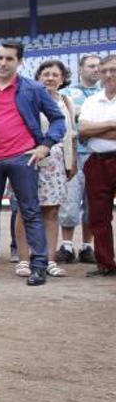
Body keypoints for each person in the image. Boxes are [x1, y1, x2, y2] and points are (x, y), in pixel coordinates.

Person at [0, 40, 65, 286]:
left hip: (23, 158)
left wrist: (45, 146)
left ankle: (38, 266)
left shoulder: (33, 89)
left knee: (30, 212)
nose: (3, 63)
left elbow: (58, 120)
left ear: (20, 62)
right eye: (0, 58)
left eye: (9, 58)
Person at [13, 60, 76, 278]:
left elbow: (70, 136)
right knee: (25, 209)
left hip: (56, 161)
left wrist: (71, 162)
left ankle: (49, 260)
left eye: (55, 74)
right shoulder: (27, 97)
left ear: (62, 79)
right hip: (28, 157)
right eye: (45, 74)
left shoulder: (66, 102)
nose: (50, 78)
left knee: (52, 211)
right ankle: (23, 259)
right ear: (38, 78)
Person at [57, 54, 101, 264]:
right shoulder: (66, 94)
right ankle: (66, 245)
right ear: (80, 69)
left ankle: (87, 246)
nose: (95, 69)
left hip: (96, 154)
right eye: (91, 66)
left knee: (93, 201)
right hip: (72, 153)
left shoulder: (106, 95)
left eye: (98, 66)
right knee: (70, 200)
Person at [77, 54, 116, 277]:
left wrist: (96, 128)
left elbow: (90, 130)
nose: (109, 74)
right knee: (98, 216)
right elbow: (83, 131)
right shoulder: (92, 101)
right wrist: (112, 124)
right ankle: (105, 263)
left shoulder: (92, 104)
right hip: (97, 161)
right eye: (105, 70)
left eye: (114, 70)